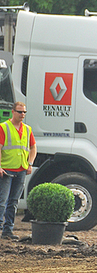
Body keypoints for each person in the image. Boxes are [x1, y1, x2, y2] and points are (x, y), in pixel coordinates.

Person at [0, 102, 37, 240]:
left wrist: (30, 164)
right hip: (7, 170)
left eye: (24, 112)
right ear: (13, 112)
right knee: (2, 201)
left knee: (13, 202)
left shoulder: (27, 129)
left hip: (21, 169)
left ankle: (7, 231)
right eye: (20, 112)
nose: (23, 115)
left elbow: (33, 147)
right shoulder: (4, 127)